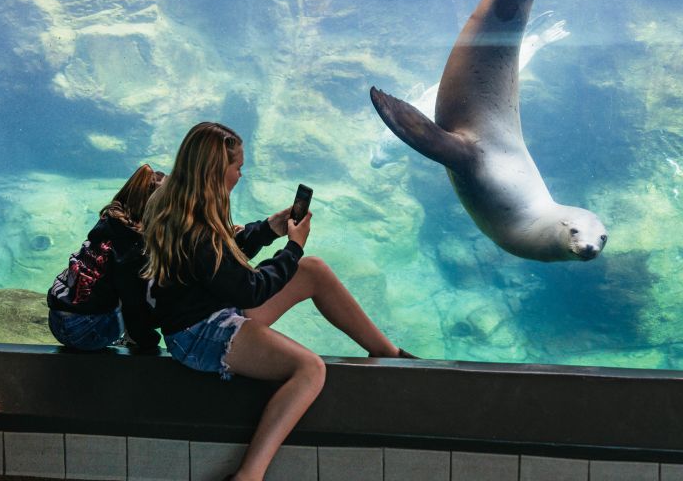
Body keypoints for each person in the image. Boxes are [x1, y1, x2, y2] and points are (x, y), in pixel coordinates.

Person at [142, 122, 412, 481]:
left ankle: (389, 354)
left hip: (210, 308)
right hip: (199, 332)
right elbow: (250, 289)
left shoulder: (182, 204)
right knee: (310, 369)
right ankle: (249, 475)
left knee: (312, 269)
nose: (241, 174)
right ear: (215, 170)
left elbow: (224, 261)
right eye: (237, 167)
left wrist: (270, 228)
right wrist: (293, 246)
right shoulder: (199, 229)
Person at [46, 164, 164, 351]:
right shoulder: (132, 247)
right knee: (154, 294)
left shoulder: (108, 226)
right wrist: (148, 341)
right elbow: (134, 304)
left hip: (56, 322)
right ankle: (130, 338)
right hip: (87, 330)